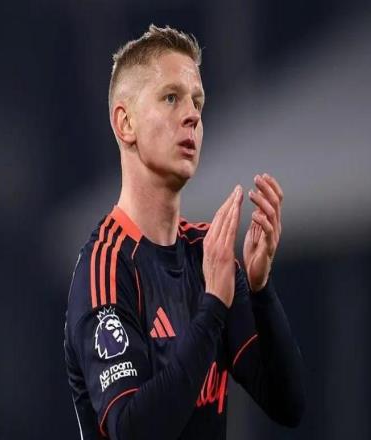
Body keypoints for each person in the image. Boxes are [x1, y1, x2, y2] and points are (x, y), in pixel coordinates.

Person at [64, 24, 305, 440]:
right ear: (125, 123)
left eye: (197, 101)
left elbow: (288, 405)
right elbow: (134, 431)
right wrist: (211, 309)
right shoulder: (106, 267)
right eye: (171, 98)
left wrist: (260, 290)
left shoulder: (205, 254)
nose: (192, 114)